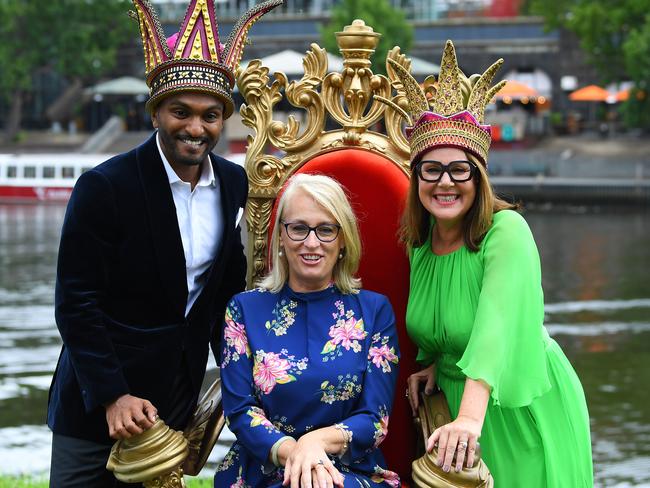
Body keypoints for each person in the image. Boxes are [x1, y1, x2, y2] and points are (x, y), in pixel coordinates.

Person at [46, 0, 281, 486]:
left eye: (211, 115)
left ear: (223, 119)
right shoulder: (104, 187)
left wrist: (246, 380)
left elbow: (220, 297)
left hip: (175, 396)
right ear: (156, 113)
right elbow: (75, 304)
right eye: (181, 112)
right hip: (95, 402)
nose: (196, 128)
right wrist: (114, 395)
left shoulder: (236, 184)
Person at [389, 41, 593, 486]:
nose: (445, 182)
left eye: (459, 170)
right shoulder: (419, 246)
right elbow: (442, 326)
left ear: (478, 178)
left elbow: (495, 329)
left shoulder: (507, 233)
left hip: (513, 405)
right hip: (456, 410)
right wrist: (434, 362)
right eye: (431, 170)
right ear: (416, 178)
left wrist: (468, 420)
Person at [214, 174, 401, 488]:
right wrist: (299, 455)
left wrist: (315, 444)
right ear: (281, 238)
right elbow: (240, 409)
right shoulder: (243, 310)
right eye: (299, 228)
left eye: (326, 229)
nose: (311, 243)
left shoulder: (375, 311)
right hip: (263, 468)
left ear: (343, 240)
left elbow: (375, 419)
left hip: (348, 471)